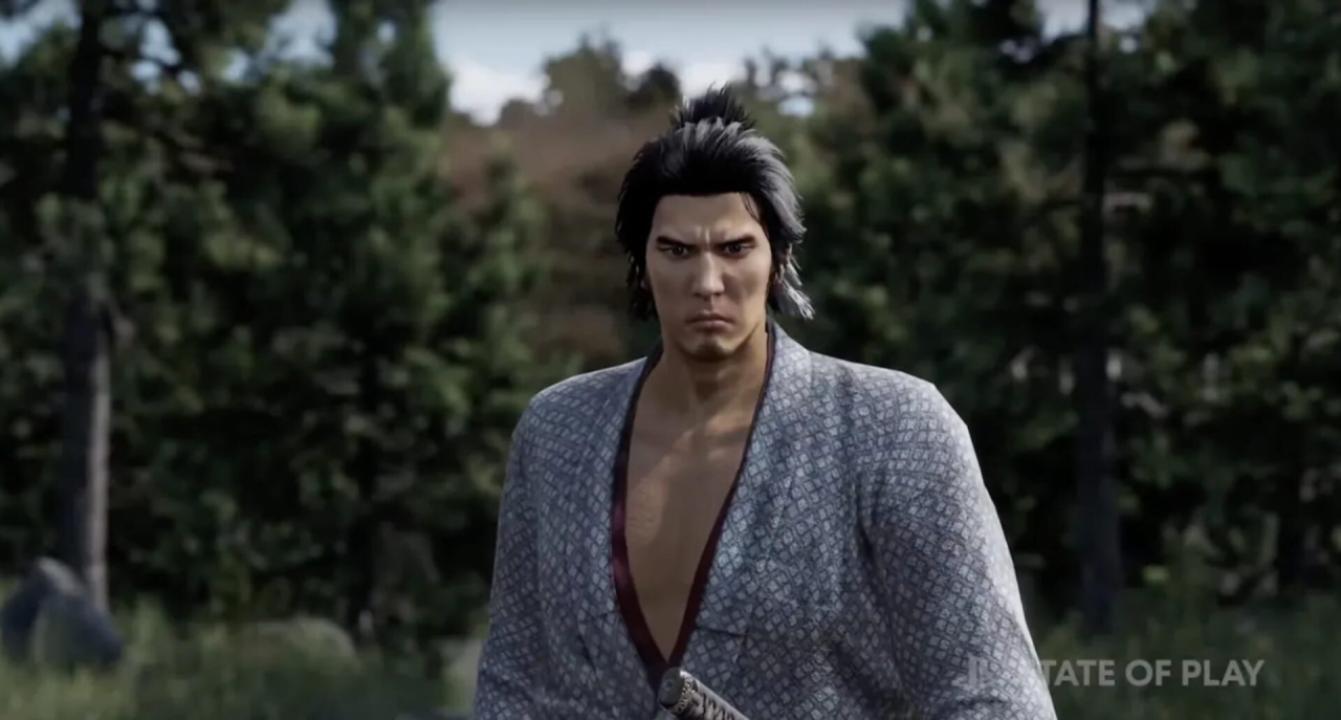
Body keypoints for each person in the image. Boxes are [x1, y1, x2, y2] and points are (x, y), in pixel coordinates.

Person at [472, 87, 1057, 719]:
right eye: (676, 251)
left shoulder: (895, 429)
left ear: (778, 259)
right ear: (641, 266)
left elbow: (994, 696)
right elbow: (513, 682)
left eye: (734, 249)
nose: (707, 283)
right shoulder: (558, 431)